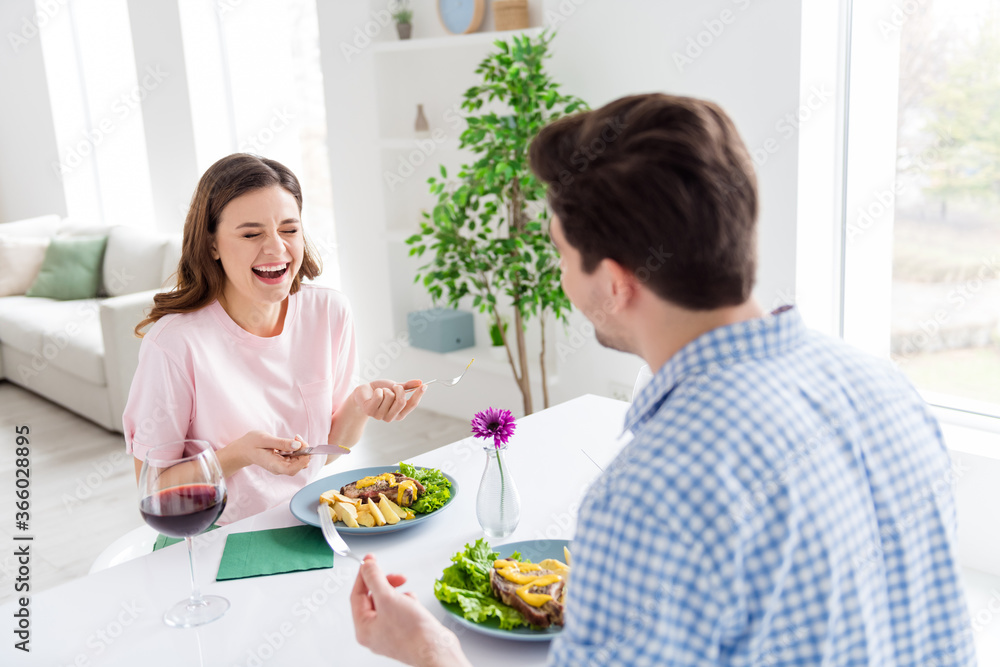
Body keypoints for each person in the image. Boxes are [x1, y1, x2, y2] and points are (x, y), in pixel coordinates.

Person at [349, 94, 976, 665]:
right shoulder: (886, 390)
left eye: (561, 253)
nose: (563, 281)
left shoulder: (651, 494)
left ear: (617, 283)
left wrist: (432, 653)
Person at [124, 153, 426, 525]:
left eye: (289, 229)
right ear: (212, 245)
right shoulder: (173, 344)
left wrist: (359, 406)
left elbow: (327, 451)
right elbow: (153, 488)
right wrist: (239, 454)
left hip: (305, 518)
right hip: (211, 533)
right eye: (251, 234)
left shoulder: (329, 313)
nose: (276, 249)